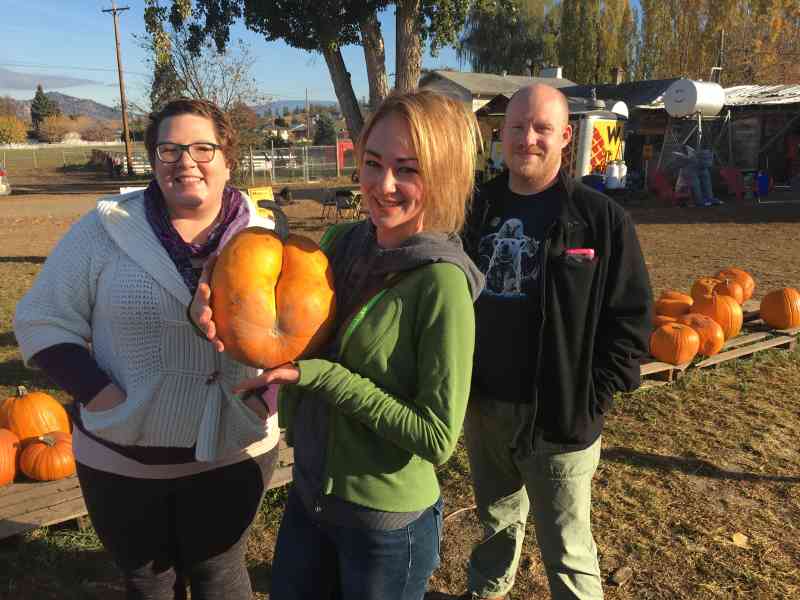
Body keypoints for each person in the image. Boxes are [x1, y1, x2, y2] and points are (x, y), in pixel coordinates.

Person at [190, 89, 485, 600]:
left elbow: (437, 436)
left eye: (408, 169)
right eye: (373, 163)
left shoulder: (441, 283)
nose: (383, 185)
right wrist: (213, 305)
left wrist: (318, 377)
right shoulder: (340, 245)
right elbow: (282, 329)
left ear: (443, 175)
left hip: (385, 525)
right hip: (310, 498)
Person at [14, 98, 285, 600]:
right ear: (153, 159)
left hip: (233, 447)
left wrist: (262, 400)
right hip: (125, 457)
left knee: (220, 576)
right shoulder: (104, 229)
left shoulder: (267, 235)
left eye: (203, 147)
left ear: (228, 157)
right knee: (147, 582)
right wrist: (99, 395)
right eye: (170, 149)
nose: (186, 161)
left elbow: (296, 335)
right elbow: (41, 318)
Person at [460, 84, 653, 600]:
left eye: (542, 128)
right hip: (486, 408)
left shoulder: (598, 218)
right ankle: (488, 591)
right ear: (500, 135)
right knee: (496, 524)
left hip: (560, 416)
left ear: (565, 136)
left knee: (567, 548)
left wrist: (593, 395)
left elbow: (632, 317)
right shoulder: (473, 209)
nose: (527, 138)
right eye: (517, 127)